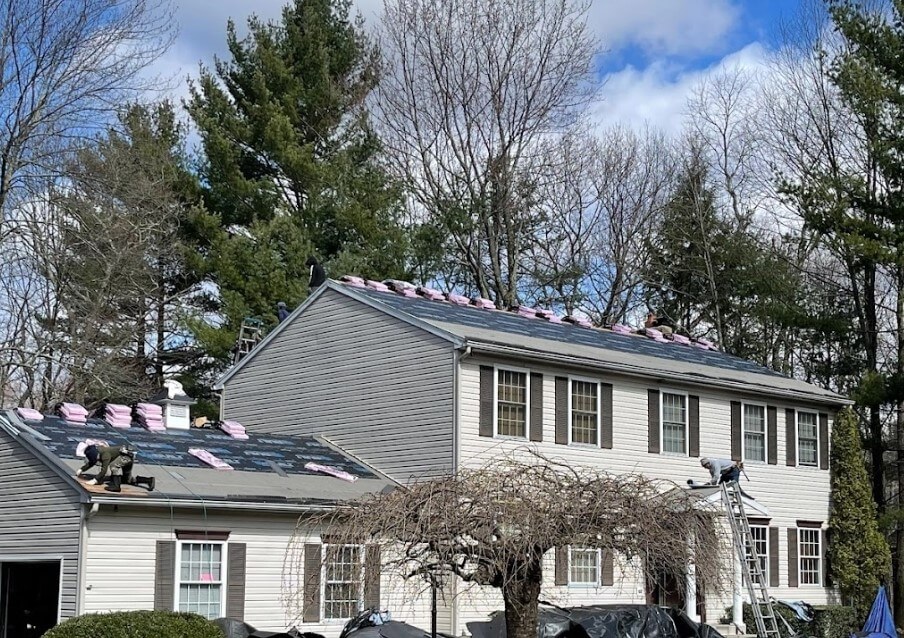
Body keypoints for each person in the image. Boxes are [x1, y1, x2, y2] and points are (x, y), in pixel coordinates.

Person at [77, 444, 155, 492]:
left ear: (96, 455)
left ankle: (116, 486)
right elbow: (92, 462)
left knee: (113, 466)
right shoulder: (98, 452)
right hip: (126, 458)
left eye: (96, 459)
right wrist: (82, 469)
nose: (97, 461)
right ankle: (149, 480)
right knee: (127, 480)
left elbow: (104, 470)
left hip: (126, 456)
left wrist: (95, 480)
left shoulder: (105, 455)